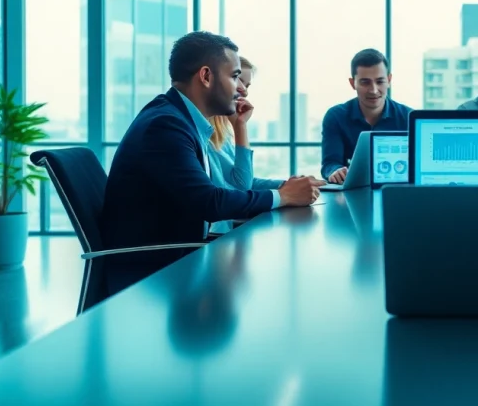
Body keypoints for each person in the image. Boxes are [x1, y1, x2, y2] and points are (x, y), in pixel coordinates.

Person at [102, 31, 320, 250]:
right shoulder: (165, 126)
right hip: (156, 267)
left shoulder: (180, 118)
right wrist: (282, 196)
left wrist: (285, 191)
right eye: (234, 77)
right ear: (206, 76)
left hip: (181, 251)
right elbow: (208, 202)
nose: (240, 89)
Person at [207, 56, 325, 233]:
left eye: (247, 86)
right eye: (239, 80)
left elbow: (242, 180)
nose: (244, 92)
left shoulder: (220, 134)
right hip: (216, 237)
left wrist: (288, 185)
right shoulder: (205, 137)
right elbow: (241, 185)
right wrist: (241, 126)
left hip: (226, 233)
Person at [321, 48, 413, 183]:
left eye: (380, 81)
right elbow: (330, 163)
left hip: (396, 191)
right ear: (353, 83)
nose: (374, 90)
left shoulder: (409, 117)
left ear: (389, 80)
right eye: (365, 82)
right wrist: (335, 171)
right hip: (351, 192)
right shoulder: (335, 116)